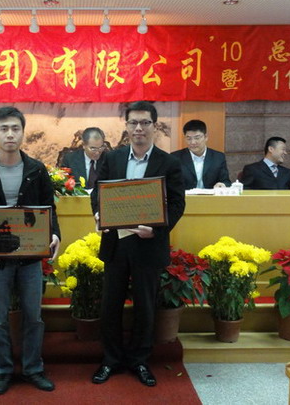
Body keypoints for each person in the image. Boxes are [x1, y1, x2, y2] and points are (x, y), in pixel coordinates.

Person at [0, 106, 61, 396]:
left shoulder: (36, 169)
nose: (10, 134)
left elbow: (49, 209)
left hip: (30, 256)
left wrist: (54, 234)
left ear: (22, 132)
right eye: (4, 129)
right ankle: (3, 370)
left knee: (33, 317)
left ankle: (33, 368)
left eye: (15, 128)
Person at [90, 101, 185, 388]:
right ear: (127, 126)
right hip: (116, 243)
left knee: (145, 306)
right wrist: (99, 213)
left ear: (155, 126)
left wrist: (156, 228)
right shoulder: (113, 158)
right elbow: (98, 192)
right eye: (133, 123)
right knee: (111, 304)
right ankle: (110, 359)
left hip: (148, 243)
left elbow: (177, 203)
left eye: (145, 123)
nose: (139, 128)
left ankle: (139, 360)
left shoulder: (169, 163)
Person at [171, 119, 231, 189]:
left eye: (197, 138)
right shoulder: (175, 157)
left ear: (206, 137)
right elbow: (170, 183)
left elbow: (226, 181)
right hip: (185, 195)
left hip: (211, 195)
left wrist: (222, 185)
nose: (193, 142)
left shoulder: (218, 157)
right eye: (189, 138)